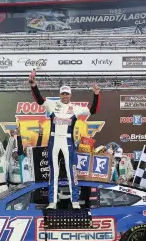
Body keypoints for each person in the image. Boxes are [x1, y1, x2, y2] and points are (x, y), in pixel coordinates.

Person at [29, 72, 100, 209]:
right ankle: (52, 202)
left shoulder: (76, 108)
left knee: (71, 171)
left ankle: (74, 201)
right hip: (54, 140)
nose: (65, 96)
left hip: (68, 142)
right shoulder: (52, 104)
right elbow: (39, 100)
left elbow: (93, 110)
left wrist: (96, 95)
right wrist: (34, 86)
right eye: (63, 94)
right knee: (53, 172)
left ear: (70, 95)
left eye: (67, 94)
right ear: (60, 94)